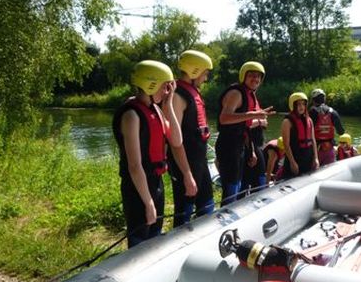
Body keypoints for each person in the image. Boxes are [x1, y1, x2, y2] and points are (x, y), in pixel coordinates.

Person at [112, 60, 182, 248]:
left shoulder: (156, 109)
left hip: (155, 183)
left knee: (154, 238)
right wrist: (148, 202)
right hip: (138, 189)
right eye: (165, 85)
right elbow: (134, 166)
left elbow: (176, 140)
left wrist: (168, 104)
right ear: (150, 84)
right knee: (139, 242)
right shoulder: (131, 116)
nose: (167, 89)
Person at [215, 61, 275, 205]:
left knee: (244, 183)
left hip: (241, 145)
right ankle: (227, 217)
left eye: (259, 77)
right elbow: (224, 118)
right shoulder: (236, 93)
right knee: (232, 188)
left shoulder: (249, 94)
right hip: (228, 147)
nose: (256, 79)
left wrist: (252, 150)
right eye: (252, 76)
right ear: (244, 76)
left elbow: (244, 128)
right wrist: (254, 115)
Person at [167, 50, 214, 228]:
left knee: (207, 206)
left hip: (199, 163)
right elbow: (174, 140)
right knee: (183, 213)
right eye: (205, 73)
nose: (206, 78)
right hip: (184, 166)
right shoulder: (178, 96)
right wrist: (187, 175)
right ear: (194, 71)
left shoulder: (193, 92)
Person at [281, 92, 319, 179]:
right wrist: (292, 162)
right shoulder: (287, 121)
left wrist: (316, 158)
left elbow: (313, 140)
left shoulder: (309, 120)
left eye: (303, 104)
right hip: (295, 157)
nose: (301, 107)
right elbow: (286, 144)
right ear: (293, 105)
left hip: (308, 157)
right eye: (298, 104)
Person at [309, 88, 345, 166]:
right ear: (324, 99)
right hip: (330, 150)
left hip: (315, 151)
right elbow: (341, 132)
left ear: (313, 100)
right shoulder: (333, 113)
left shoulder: (311, 112)